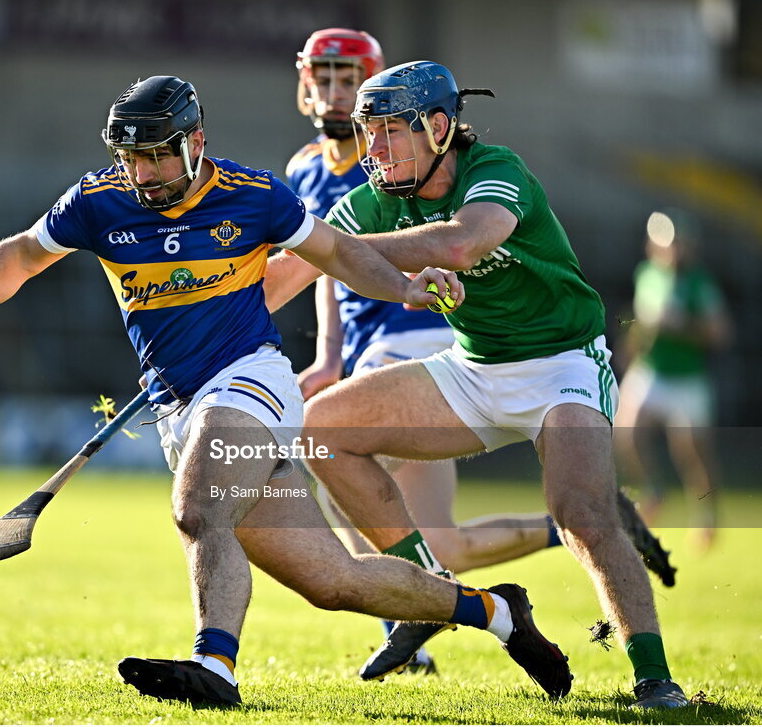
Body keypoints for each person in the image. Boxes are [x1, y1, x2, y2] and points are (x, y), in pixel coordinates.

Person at [0, 75, 573, 708]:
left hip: (251, 383)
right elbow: (21, 255)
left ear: (196, 143)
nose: (144, 173)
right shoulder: (97, 201)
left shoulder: (254, 195)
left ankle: (214, 665)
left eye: (160, 156)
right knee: (335, 583)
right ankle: (496, 611)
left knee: (198, 509)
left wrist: (402, 288)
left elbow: (336, 253)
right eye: (132, 157)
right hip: (179, 406)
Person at [266, 61, 689, 709]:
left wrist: (343, 247)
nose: (372, 152)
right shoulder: (375, 195)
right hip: (473, 368)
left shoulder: (495, 168)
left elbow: (463, 243)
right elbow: (290, 271)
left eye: (388, 133)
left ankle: (654, 678)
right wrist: (205, 306)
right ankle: (430, 592)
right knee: (323, 427)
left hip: (562, 366)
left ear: (438, 127)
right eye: (367, 134)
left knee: (581, 514)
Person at [614, 209, 731, 550]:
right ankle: (653, 491)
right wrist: (630, 345)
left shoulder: (698, 283)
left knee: (691, 451)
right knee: (626, 432)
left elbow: (720, 333)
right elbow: (641, 321)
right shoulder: (647, 274)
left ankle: (707, 513)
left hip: (687, 377)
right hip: (651, 369)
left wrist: (684, 327)